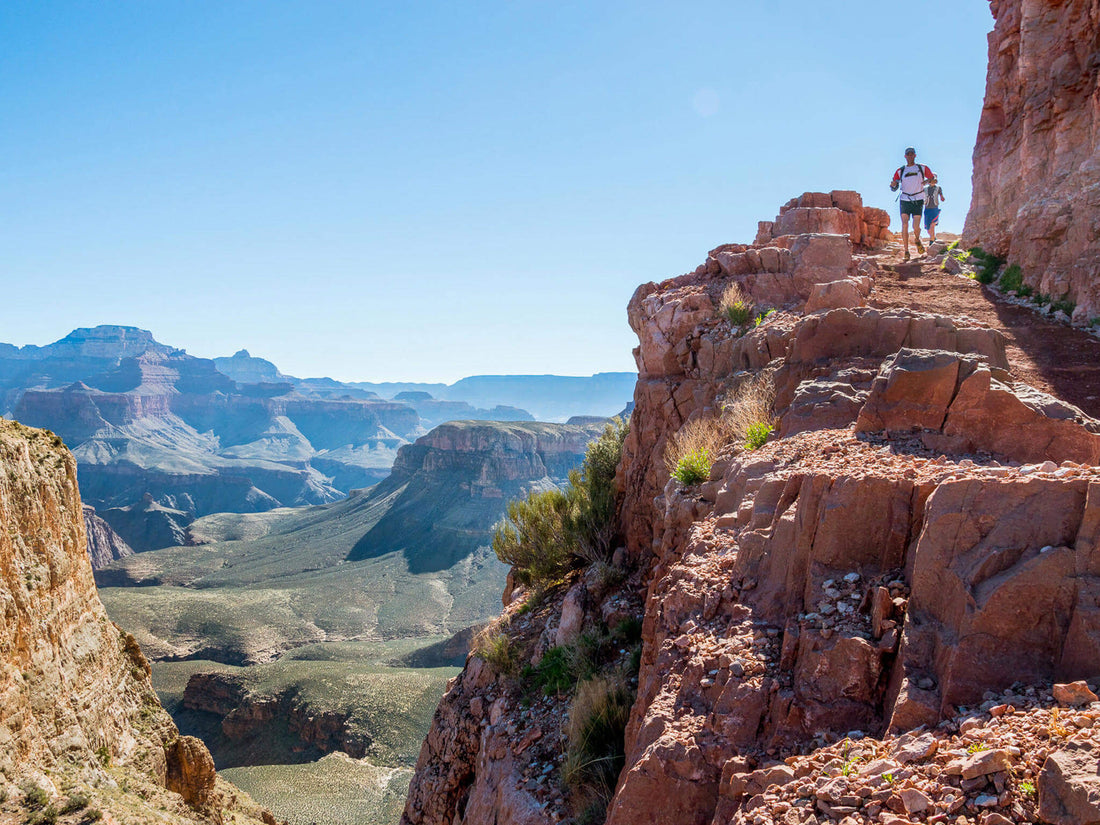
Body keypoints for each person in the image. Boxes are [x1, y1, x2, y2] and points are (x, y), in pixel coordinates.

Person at [889, 147, 935, 260]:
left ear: (915, 155)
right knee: (904, 224)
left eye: (911, 154)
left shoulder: (922, 168)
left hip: (918, 199)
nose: (910, 156)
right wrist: (893, 185)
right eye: (908, 154)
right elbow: (894, 187)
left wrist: (927, 181)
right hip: (905, 199)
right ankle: (906, 251)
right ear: (905, 156)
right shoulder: (900, 170)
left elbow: (933, 179)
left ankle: (917, 239)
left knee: (916, 226)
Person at [923, 177, 945, 244]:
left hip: (934, 208)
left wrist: (942, 197)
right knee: (928, 228)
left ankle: (931, 241)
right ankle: (933, 237)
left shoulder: (938, 188)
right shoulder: (925, 189)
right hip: (927, 209)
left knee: (933, 224)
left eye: (934, 180)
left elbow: (941, 195)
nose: (933, 182)